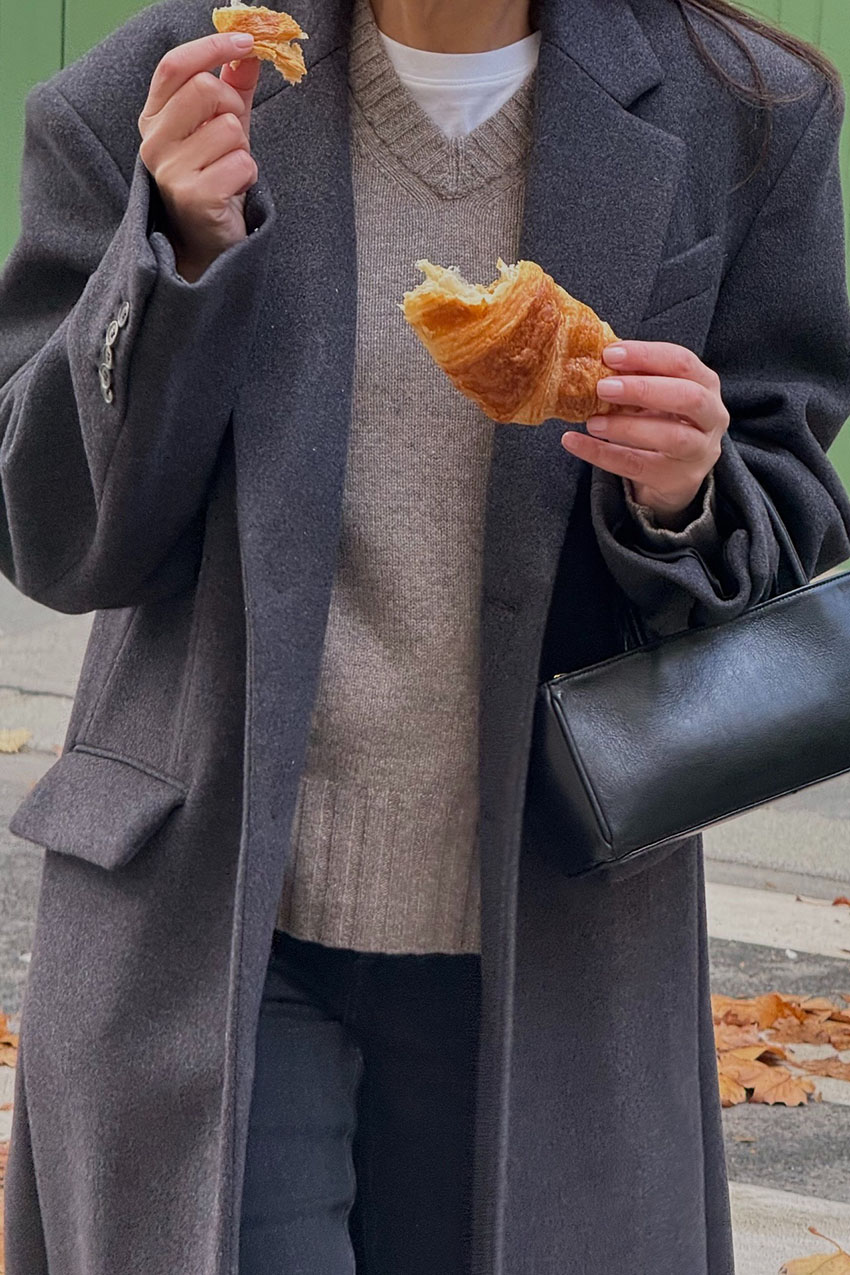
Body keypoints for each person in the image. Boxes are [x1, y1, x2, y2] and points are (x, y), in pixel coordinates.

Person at [1, 0, 849, 1271]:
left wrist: (684, 489)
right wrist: (170, 260)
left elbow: (785, 516)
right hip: (212, 919)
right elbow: (55, 535)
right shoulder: (159, 94)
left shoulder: (746, 109)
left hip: (548, 938)